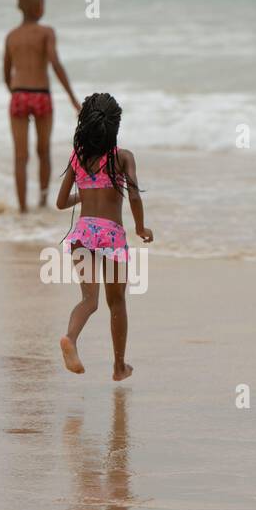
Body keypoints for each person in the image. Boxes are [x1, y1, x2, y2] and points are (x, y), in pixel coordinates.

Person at [54, 93, 152, 381]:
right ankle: (119, 366)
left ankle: (71, 338)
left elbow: (60, 202)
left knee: (88, 300)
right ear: (114, 127)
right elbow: (133, 195)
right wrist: (141, 228)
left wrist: (85, 197)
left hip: (82, 234)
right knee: (116, 301)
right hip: (111, 236)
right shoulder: (122, 157)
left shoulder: (77, 158)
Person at [3, 0, 80, 212]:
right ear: (39, 7)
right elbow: (55, 64)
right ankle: (43, 201)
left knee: (20, 156)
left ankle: (22, 208)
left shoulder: (11, 36)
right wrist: (73, 99)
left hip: (19, 95)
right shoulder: (46, 32)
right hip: (41, 96)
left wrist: (16, 94)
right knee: (43, 151)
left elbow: (6, 74)